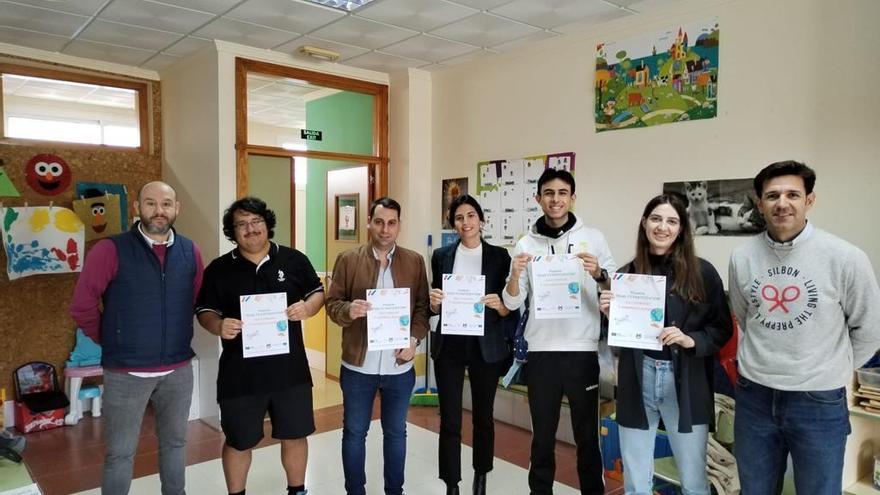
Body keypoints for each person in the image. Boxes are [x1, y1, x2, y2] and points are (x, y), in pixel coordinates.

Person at [729, 160, 880, 494]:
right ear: (759, 203)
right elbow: (744, 315)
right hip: (754, 396)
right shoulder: (742, 257)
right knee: (754, 489)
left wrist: (829, 370)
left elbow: (870, 328)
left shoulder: (845, 258)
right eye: (772, 196)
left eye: (792, 194)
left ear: (809, 200)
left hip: (818, 401)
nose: (782, 203)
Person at [70, 181, 204, 495]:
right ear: (137, 207)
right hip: (125, 373)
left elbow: (198, 300)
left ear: (176, 208)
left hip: (178, 370)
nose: (159, 211)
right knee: (120, 453)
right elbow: (83, 305)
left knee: (175, 444)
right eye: (151, 203)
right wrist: (109, 337)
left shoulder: (190, 250)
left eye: (167, 204)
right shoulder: (110, 250)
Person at [599, 194, 732, 495]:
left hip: (685, 383)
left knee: (694, 480)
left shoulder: (703, 272)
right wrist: (610, 316)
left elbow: (721, 330)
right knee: (635, 480)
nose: (663, 227)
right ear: (644, 223)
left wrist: (690, 339)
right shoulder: (627, 274)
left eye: (672, 221)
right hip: (638, 378)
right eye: (656, 219)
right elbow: (619, 342)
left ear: (682, 228)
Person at [196, 197, 323, 495]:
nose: (250, 229)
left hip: (289, 372)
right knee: (239, 441)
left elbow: (318, 293)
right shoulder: (219, 269)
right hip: (240, 376)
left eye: (256, 222)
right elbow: (205, 310)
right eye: (241, 224)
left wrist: (307, 308)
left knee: (295, 435)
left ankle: (298, 490)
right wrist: (218, 325)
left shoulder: (293, 260)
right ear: (233, 231)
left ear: (267, 225)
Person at [502, 168, 616, 495]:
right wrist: (514, 273)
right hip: (541, 353)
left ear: (572, 198)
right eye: (548, 193)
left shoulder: (593, 238)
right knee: (542, 438)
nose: (556, 199)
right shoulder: (526, 243)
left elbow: (614, 292)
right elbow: (512, 302)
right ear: (538, 198)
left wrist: (600, 273)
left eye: (562, 193)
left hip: (582, 353)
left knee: (586, 438)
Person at [325, 196, 430, 495]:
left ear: (399, 225)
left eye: (392, 223)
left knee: (396, 434)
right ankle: (355, 491)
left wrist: (413, 341)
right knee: (355, 433)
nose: (385, 229)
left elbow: (422, 309)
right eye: (379, 222)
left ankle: (394, 491)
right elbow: (332, 304)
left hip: (400, 366)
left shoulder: (414, 261)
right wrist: (348, 310)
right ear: (369, 223)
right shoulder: (348, 259)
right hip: (358, 366)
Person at [429, 195, 515, 495]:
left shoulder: (500, 256)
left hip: (485, 347)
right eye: (459, 217)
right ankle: (452, 483)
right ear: (453, 223)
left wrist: (501, 306)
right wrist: (434, 303)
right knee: (450, 418)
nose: (465, 222)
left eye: (470, 215)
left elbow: (510, 308)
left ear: (481, 219)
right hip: (450, 346)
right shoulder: (441, 256)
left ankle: (481, 475)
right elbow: (434, 304)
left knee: (483, 417)